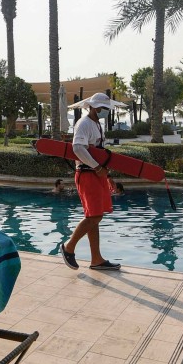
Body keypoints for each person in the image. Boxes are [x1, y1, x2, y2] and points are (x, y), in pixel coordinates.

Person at [59, 93, 121, 271]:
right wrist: (96, 167)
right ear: (93, 107)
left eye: (106, 109)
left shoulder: (97, 125)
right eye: (103, 108)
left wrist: (107, 175)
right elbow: (77, 148)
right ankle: (68, 247)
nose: (105, 112)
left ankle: (96, 259)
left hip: (96, 174)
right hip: (87, 173)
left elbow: (99, 153)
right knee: (94, 216)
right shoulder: (84, 123)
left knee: (95, 216)